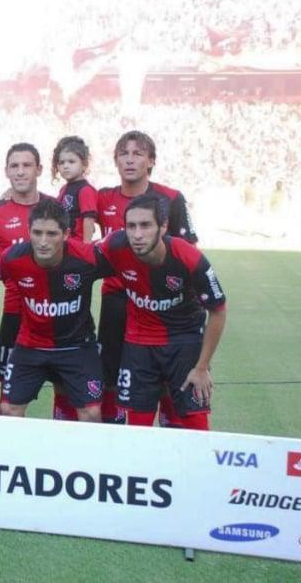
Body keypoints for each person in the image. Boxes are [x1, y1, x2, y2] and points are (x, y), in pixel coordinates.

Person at [95, 195, 227, 429]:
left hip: (184, 342)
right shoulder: (114, 245)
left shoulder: (188, 257)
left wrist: (202, 367)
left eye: (145, 225)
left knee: (195, 426)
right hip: (138, 344)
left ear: (163, 226)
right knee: (137, 427)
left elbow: (218, 310)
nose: (137, 234)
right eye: (131, 226)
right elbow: (79, 260)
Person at [95, 130, 197, 426]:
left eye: (138, 154)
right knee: (111, 370)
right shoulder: (103, 197)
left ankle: (168, 422)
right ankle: (114, 430)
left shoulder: (172, 198)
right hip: (117, 297)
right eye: (123, 154)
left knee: (162, 366)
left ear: (151, 161)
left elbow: (189, 251)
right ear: (115, 160)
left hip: (160, 300)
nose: (130, 160)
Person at [0, 199, 106, 422]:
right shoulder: (12, 258)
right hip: (30, 346)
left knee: (91, 413)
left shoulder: (87, 257)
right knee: (8, 411)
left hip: (77, 346)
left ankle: (86, 457)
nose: (43, 241)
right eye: (37, 232)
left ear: (66, 234)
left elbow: (127, 267)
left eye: (52, 234)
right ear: (28, 231)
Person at [0, 143, 61, 415]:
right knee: (9, 395)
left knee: (65, 386)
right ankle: (7, 450)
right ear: (6, 171)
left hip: (59, 313)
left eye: (26, 165)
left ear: (39, 169)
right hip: (15, 313)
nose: (20, 172)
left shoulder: (56, 208)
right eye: (15, 166)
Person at [52, 136, 97, 242]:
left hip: (78, 246)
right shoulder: (63, 189)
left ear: (84, 164)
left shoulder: (85, 190)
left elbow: (89, 219)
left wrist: (86, 247)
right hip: (64, 245)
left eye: (71, 162)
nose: (65, 166)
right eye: (61, 162)